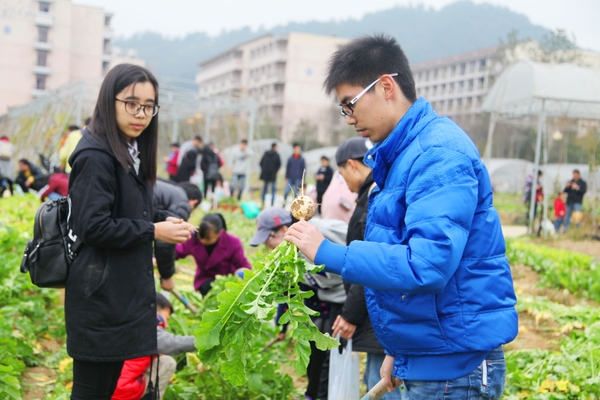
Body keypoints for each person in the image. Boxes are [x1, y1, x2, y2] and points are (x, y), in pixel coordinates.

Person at [284, 35, 517, 398]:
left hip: (455, 370)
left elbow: (427, 264)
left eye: (350, 105)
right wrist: (400, 350)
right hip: (432, 356)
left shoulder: (438, 153)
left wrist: (328, 252)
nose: (349, 119)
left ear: (386, 86)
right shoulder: (404, 154)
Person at [65, 64, 194, 399]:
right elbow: (92, 226)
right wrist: (153, 230)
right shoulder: (96, 154)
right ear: (110, 101)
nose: (141, 114)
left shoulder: (129, 151)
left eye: (149, 106)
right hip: (100, 297)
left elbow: (130, 209)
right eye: (131, 103)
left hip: (118, 295)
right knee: (91, 391)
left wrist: (166, 220)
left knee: (105, 390)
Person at [329, 137, 402, 399]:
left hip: (379, 315)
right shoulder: (376, 193)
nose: (344, 183)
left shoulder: (373, 199)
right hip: (379, 315)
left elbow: (369, 264)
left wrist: (351, 314)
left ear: (351, 165)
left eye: (341, 174)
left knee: (381, 382)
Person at [250, 207, 347, 400]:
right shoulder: (287, 255)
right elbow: (287, 291)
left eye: (269, 239)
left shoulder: (322, 230)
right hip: (323, 299)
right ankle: (312, 393)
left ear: (284, 229)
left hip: (347, 298)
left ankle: (324, 395)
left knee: (332, 355)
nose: (269, 247)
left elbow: (358, 240)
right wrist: (281, 325)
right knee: (314, 347)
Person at [112, 293, 196, 400]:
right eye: (167, 318)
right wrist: (203, 340)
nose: (168, 325)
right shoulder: (149, 323)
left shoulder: (128, 318)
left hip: (107, 384)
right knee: (167, 363)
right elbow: (171, 344)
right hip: (122, 390)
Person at [175, 213, 251, 296]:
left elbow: (242, 264)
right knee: (208, 288)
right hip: (205, 279)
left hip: (227, 281)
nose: (203, 241)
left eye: (208, 238)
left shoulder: (232, 242)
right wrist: (162, 260)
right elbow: (177, 252)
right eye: (201, 237)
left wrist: (243, 277)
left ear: (220, 233)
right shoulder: (193, 238)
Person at [153, 180, 203, 291]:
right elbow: (166, 242)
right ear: (194, 202)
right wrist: (167, 276)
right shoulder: (182, 202)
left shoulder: (168, 191)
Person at [259, 142, 282, 207]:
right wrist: (275, 171)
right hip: (273, 175)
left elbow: (261, 163)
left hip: (265, 175)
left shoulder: (266, 154)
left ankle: (262, 203)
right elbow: (279, 165)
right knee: (273, 190)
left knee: (264, 189)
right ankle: (272, 205)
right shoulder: (277, 155)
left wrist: (264, 170)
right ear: (275, 147)